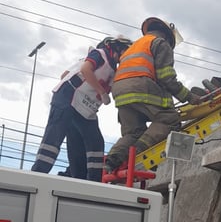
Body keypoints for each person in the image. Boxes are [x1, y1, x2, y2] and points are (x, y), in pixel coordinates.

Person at [104, 18, 203, 173]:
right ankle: (137, 151)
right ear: (168, 35)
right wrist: (190, 97)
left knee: (133, 133)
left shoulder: (134, 46)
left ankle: (112, 160)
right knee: (169, 120)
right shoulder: (160, 43)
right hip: (140, 87)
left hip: (120, 92)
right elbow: (166, 78)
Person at [31, 36, 132, 182]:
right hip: (68, 98)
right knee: (53, 139)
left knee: (94, 143)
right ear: (117, 48)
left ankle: (87, 182)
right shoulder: (99, 54)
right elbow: (85, 69)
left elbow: (65, 74)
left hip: (85, 109)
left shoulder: (114, 70)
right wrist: (101, 92)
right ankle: (37, 175)